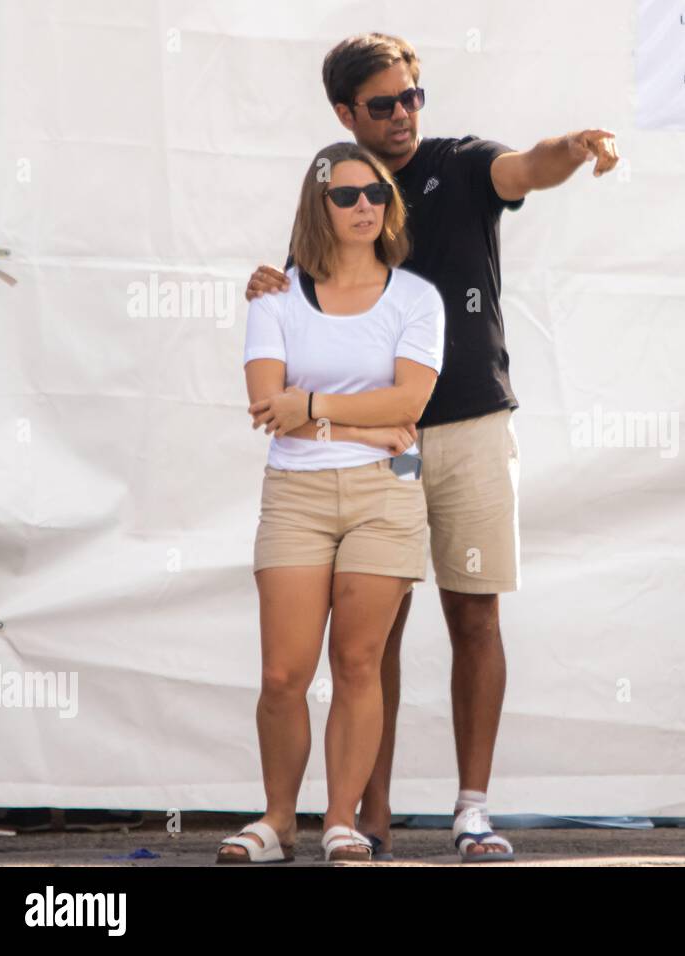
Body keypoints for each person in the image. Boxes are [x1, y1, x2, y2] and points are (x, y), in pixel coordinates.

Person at [246, 33, 618, 862]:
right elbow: (306, 305)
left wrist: (577, 146)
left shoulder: (461, 162)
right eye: (384, 104)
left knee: (475, 615)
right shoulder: (337, 190)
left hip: (473, 427)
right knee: (369, 643)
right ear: (345, 113)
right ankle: (364, 816)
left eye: (413, 96)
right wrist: (267, 285)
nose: (405, 114)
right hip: (377, 448)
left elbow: (528, 166)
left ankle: (472, 810)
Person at [217, 141, 445, 862]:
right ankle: (278, 821)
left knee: (357, 663)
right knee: (283, 672)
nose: (362, 207)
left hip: (389, 489)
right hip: (296, 492)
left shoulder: (418, 297)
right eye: (344, 196)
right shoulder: (275, 294)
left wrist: (313, 407)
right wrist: (353, 423)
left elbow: (412, 400)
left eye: (374, 193)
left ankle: (340, 820)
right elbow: (263, 403)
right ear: (318, 205)